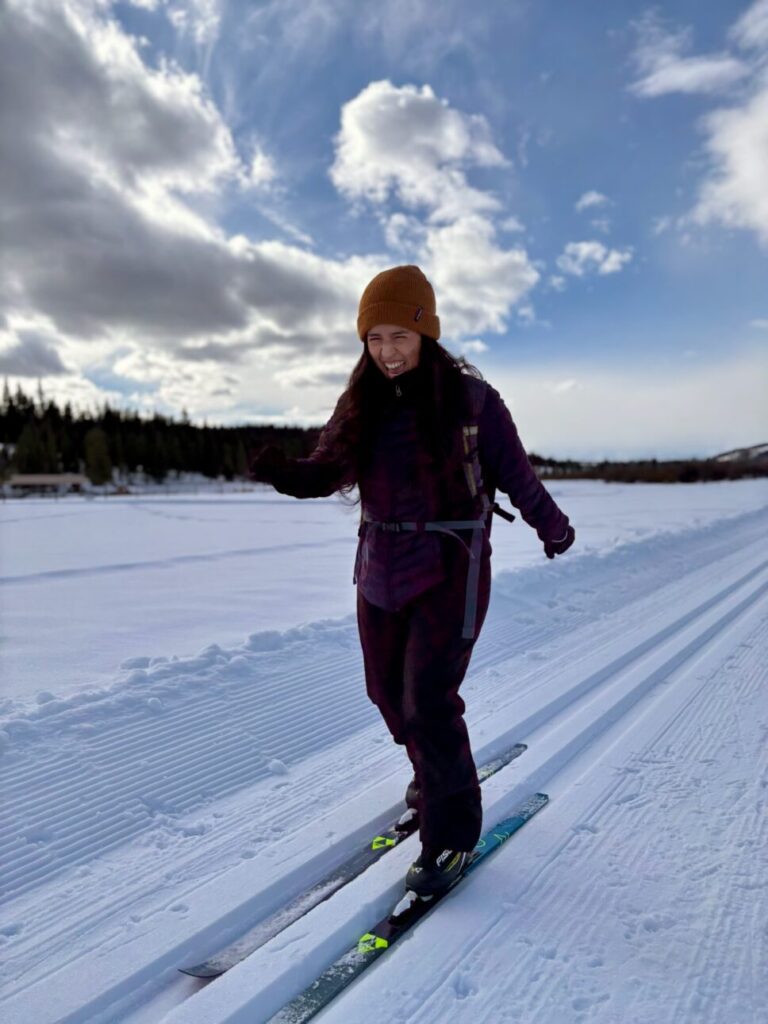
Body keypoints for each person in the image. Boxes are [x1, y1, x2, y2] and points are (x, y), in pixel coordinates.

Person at [250, 265, 574, 897]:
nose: (387, 352)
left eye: (399, 336)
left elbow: (517, 474)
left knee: (428, 700)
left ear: (427, 333)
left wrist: (552, 526)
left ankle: (451, 833)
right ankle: (430, 773)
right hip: (379, 565)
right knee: (386, 693)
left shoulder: (472, 400)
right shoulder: (360, 402)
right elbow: (328, 468)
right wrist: (286, 473)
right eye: (374, 339)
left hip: (451, 563)